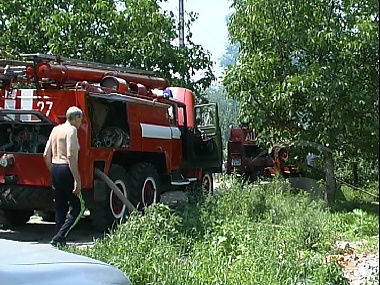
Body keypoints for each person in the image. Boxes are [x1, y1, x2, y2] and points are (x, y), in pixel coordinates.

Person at [43, 106, 85, 246]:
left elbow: (46, 154)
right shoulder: (71, 130)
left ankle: (58, 241)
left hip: (55, 167)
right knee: (79, 207)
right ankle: (60, 236)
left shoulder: (56, 129)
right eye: (81, 119)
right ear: (76, 118)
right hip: (66, 168)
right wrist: (77, 180)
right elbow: (71, 155)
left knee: (61, 208)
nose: (81, 122)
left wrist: (53, 171)